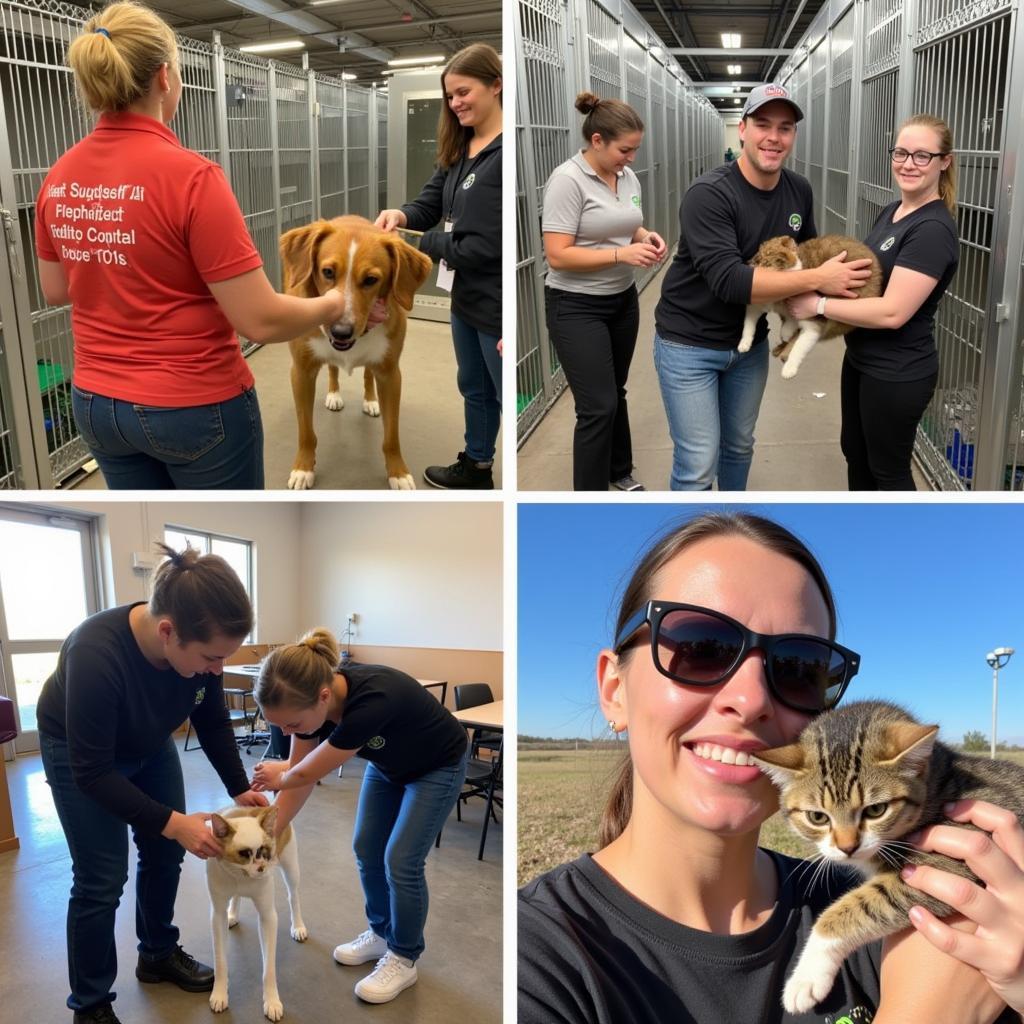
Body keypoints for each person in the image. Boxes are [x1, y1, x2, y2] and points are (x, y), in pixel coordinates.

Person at [518, 511, 1024, 1023]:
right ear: (614, 690)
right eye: (701, 648)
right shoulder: (534, 961)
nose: (751, 698)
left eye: (798, 667)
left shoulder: (857, 887)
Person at [34, 2, 359, 490]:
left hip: (96, 403)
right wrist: (335, 302)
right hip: (192, 403)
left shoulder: (58, 177)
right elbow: (259, 320)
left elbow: (56, 290)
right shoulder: (192, 178)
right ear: (165, 77)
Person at [36, 545, 269, 1024]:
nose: (216, 669)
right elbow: (94, 773)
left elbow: (212, 720)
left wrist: (239, 786)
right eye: (210, 657)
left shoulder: (198, 660)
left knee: (166, 851)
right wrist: (171, 821)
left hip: (149, 742)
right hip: (84, 753)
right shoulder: (96, 654)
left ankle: (157, 953)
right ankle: (91, 1005)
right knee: (101, 879)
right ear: (168, 632)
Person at [653, 84, 874, 490]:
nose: (774, 137)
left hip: (749, 349)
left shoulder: (798, 190)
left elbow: (806, 252)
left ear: (793, 136)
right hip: (690, 344)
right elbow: (730, 281)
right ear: (742, 129)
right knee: (699, 461)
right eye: (763, 124)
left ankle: (731, 520)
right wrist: (820, 280)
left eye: (785, 127)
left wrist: (823, 304)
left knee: (738, 446)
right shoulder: (709, 194)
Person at [249, 630, 470, 1004]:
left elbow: (301, 775)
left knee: (401, 859)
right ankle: (381, 933)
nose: (286, 733)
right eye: (280, 726)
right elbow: (300, 775)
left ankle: (404, 956)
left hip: (437, 766)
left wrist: (283, 773)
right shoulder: (310, 706)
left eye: (292, 726)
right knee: (367, 846)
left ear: (323, 697)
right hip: (389, 765)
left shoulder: (370, 702)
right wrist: (270, 836)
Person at [785, 114, 960, 490]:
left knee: (888, 471)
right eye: (901, 152)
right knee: (856, 452)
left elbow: (893, 312)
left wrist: (816, 305)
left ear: (944, 161)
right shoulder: (893, 211)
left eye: (922, 155)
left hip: (897, 371)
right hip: (863, 360)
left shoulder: (931, 230)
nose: (908, 163)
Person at [375, 44, 502, 490]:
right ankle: (477, 464)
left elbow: (482, 246)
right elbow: (431, 201)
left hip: (498, 302)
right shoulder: (461, 145)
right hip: (465, 296)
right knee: (474, 385)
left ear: (496, 85)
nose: (456, 103)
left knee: (501, 389)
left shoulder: (503, 156)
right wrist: (402, 216)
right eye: (450, 96)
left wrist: (413, 242)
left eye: (464, 92)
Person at [541, 93, 667, 492]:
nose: (630, 158)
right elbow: (557, 256)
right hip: (576, 306)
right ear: (597, 141)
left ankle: (619, 469)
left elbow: (629, 224)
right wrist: (621, 254)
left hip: (621, 300)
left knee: (615, 391)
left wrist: (647, 237)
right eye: (624, 149)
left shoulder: (627, 176)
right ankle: (589, 495)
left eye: (635, 149)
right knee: (597, 406)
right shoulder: (567, 181)